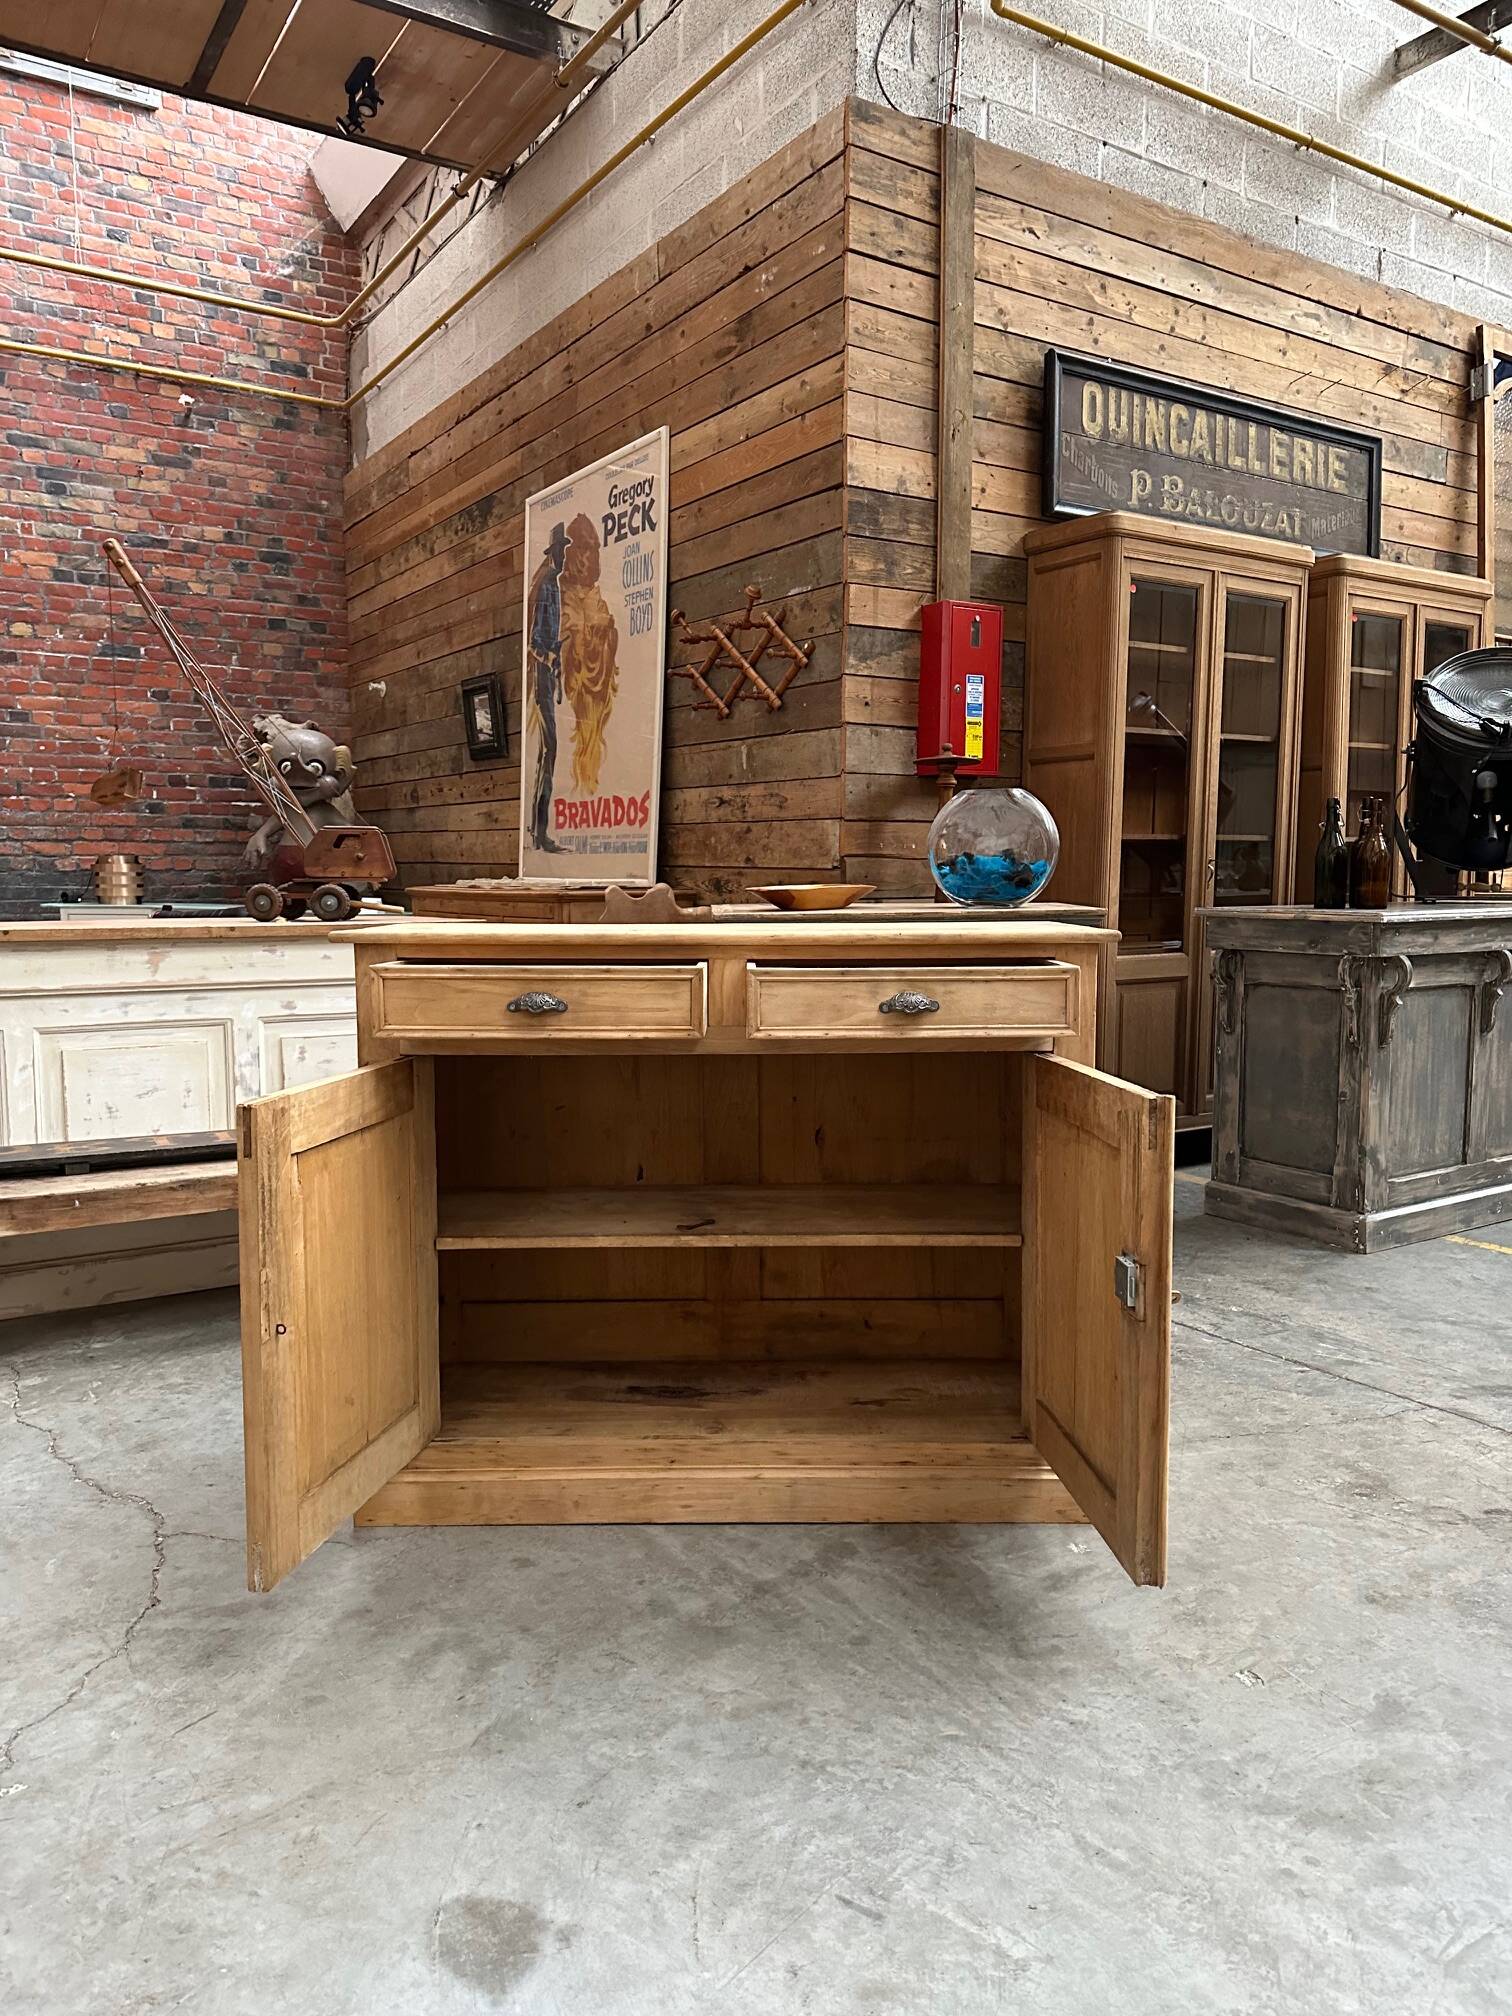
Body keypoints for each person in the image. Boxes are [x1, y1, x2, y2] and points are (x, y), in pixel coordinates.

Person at [527, 521, 571, 853]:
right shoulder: (545, 586)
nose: (565, 556)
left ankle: (538, 830)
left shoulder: (554, 585)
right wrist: (548, 655)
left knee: (549, 750)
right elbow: (534, 641)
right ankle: (539, 830)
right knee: (549, 748)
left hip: (549, 670)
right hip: (542, 673)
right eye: (562, 550)